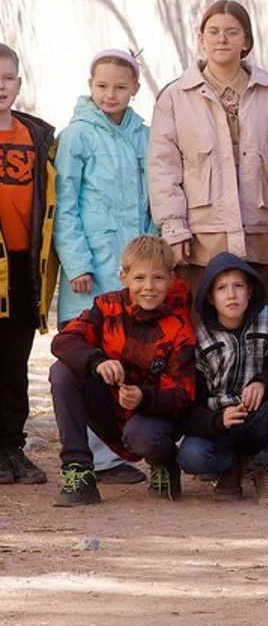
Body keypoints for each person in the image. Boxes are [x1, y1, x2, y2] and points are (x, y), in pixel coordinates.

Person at [53, 49, 155, 485]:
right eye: (102, 86)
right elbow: (65, 204)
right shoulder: (77, 135)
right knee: (86, 353)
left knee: (123, 354)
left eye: (120, 86)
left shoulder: (145, 136)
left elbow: (153, 199)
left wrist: (150, 256)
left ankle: (116, 452)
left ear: (134, 89)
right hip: (90, 269)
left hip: (131, 268)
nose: (110, 94)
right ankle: (88, 454)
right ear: (90, 85)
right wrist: (76, 260)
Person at [148, 0, 268, 310]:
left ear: (246, 41)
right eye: (213, 32)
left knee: (262, 332)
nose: (221, 39)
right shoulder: (175, 97)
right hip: (200, 240)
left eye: (231, 32)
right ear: (201, 39)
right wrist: (174, 228)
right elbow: (163, 169)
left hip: (261, 237)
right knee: (199, 336)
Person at [48, 235, 196, 505]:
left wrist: (145, 397)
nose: (148, 287)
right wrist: (97, 361)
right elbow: (63, 341)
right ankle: (78, 471)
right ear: (124, 277)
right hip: (110, 406)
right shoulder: (107, 307)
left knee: (145, 436)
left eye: (158, 279)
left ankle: (164, 463)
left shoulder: (180, 327)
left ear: (172, 279)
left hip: (152, 416)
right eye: (139, 278)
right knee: (62, 371)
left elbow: (184, 395)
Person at [176, 252, 268, 504]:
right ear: (210, 297)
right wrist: (218, 420)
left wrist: (263, 382)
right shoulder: (199, 339)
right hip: (221, 426)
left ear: (250, 291)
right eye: (222, 288)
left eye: (238, 286)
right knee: (191, 456)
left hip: (261, 416)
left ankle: (267, 468)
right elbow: (191, 404)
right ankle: (230, 468)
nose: (231, 294)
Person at [0, 42, 56, 486]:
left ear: (19, 83)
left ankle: (12, 448)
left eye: (7, 77)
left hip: (23, 268)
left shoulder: (37, 136)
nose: (0, 86)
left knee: (15, 359)